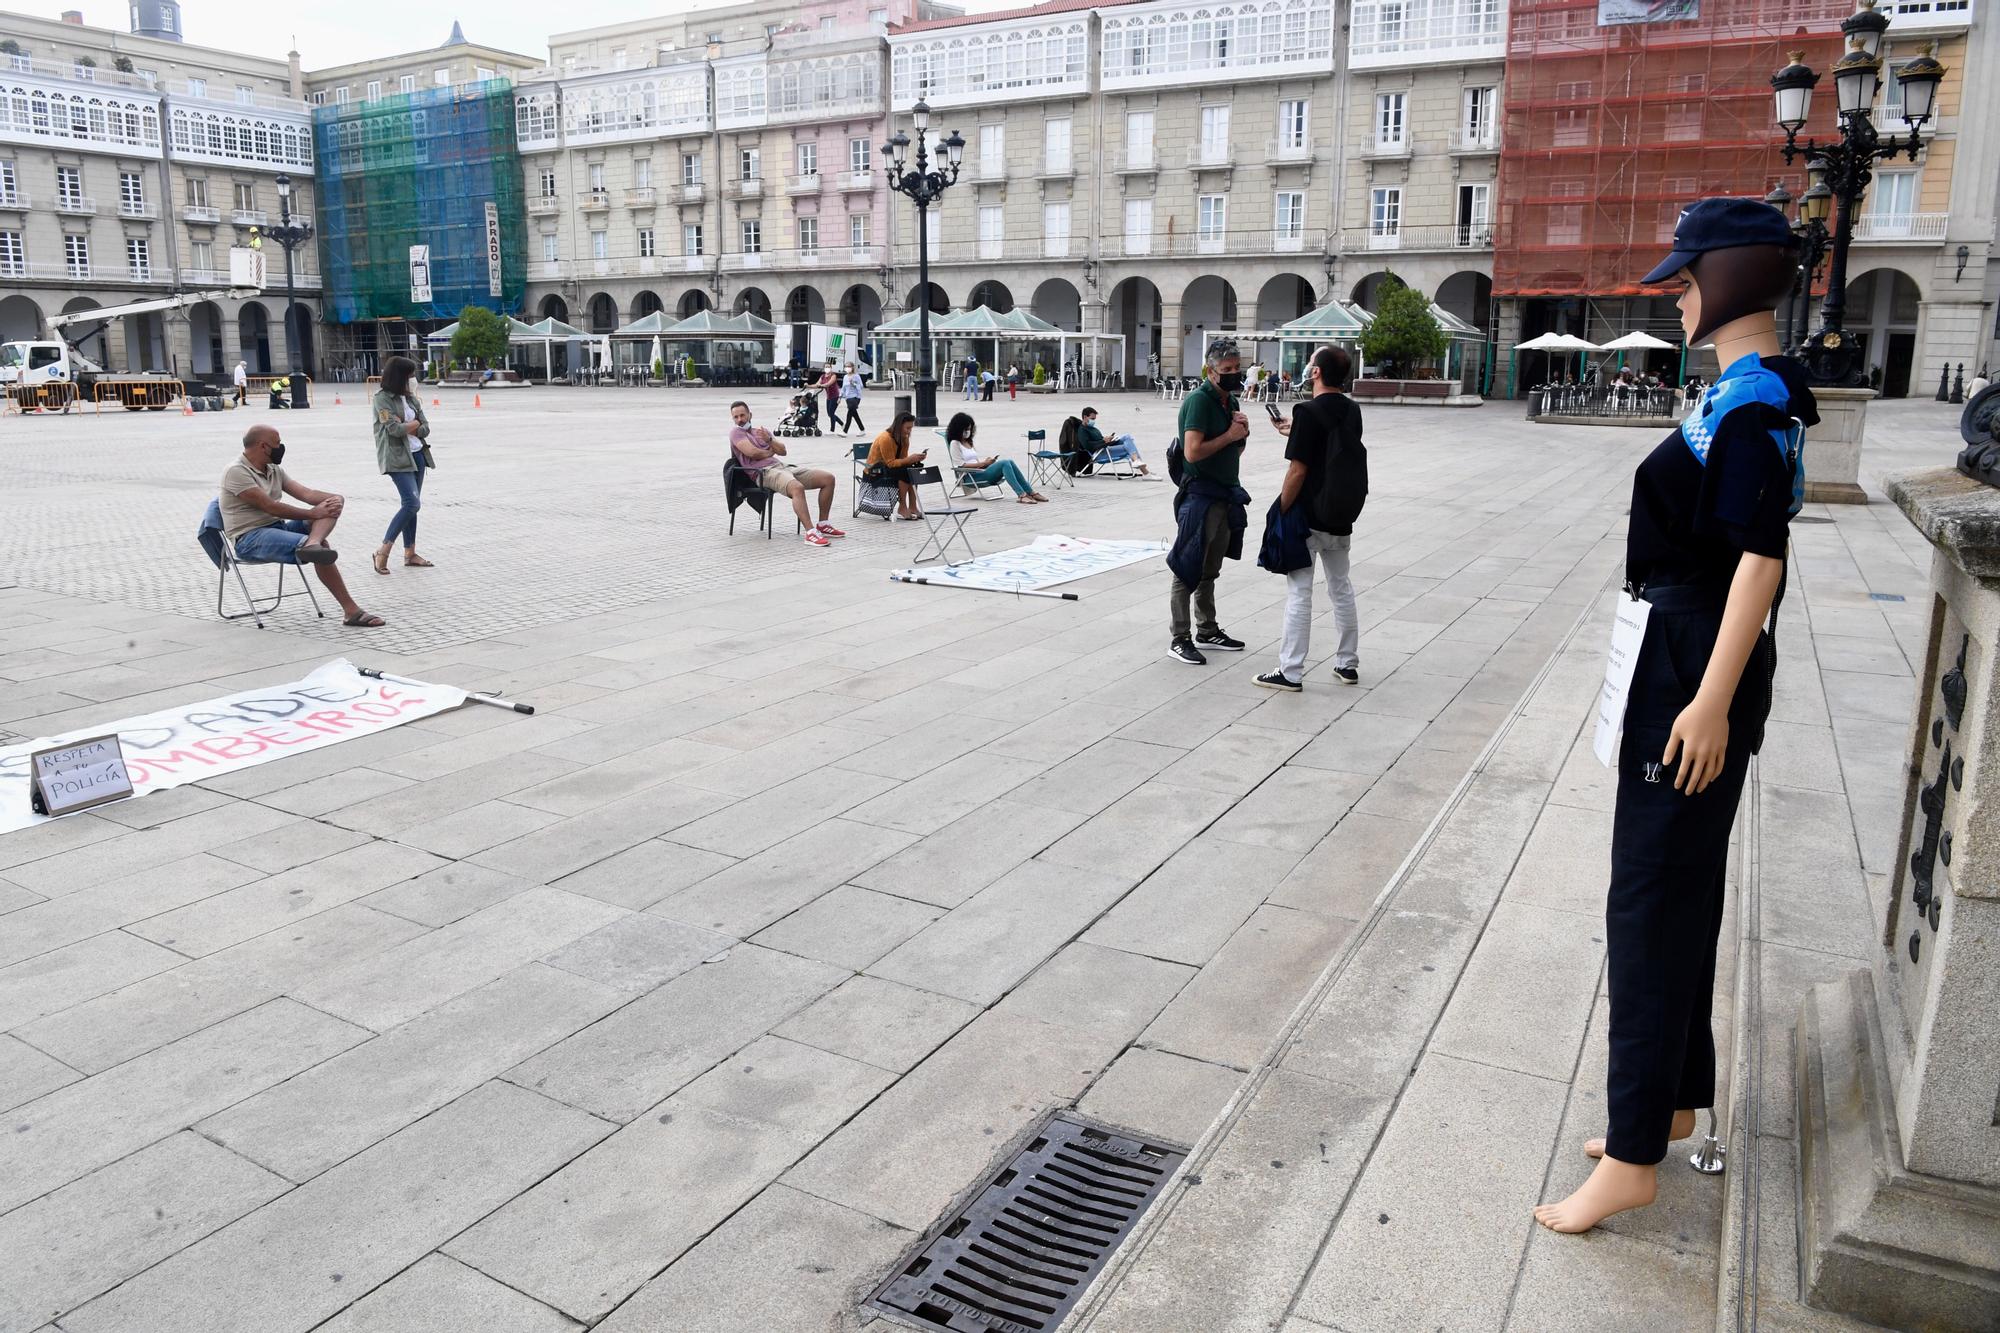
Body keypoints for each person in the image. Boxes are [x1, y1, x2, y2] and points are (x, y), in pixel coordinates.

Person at [1534, 198, 1813, 1236]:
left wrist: (1705, 700)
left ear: (1735, 274)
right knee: (1677, 894)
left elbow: (1759, 555)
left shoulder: (1748, 402)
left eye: (1688, 276)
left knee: (1647, 902)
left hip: (1693, 657)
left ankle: (1636, 1154)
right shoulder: (1751, 389)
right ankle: (1669, 1099)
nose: (1679, 292)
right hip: (1685, 647)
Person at [1257, 345, 1367, 691]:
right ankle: (1347, 663)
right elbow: (1333, 446)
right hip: (1340, 511)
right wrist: (1295, 431)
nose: (1307, 368)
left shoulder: (1307, 410)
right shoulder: (1352, 410)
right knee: (1340, 587)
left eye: (1310, 364)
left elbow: (1298, 470)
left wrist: (1281, 507)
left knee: (1300, 592)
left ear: (1317, 372)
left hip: (1308, 514)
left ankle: (1290, 671)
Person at [220, 424, 383, 628]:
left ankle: (311, 544)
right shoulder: (236, 471)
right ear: (263, 446)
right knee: (322, 547)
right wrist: (312, 513)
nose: (281, 447)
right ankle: (351, 611)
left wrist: (334, 499)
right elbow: (271, 507)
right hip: (250, 538)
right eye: (277, 443)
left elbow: (306, 494)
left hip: (276, 528)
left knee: (329, 509)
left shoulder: (273, 469)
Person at [1167, 338, 1252, 665]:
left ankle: (1207, 629)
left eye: (1236, 368)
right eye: (1227, 370)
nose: (1234, 375)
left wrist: (1241, 435)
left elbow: (1233, 452)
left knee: (1209, 570)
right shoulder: (1200, 401)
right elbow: (1192, 452)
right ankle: (1180, 637)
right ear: (1210, 371)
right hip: (1200, 495)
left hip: (1225, 494)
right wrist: (1230, 436)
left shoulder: (1228, 400)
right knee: (1187, 566)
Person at [730, 400, 845, 546]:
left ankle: (823, 524)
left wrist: (769, 440)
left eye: (742, 415)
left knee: (828, 479)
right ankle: (810, 533)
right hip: (763, 472)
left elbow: (783, 451)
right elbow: (752, 453)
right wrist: (770, 451)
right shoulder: (736, 432)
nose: (740, 420)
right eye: (736, 417)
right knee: (796, 487)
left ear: (749, 415)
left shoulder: (761, 432)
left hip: (781, 466)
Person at [369, 356, 435, 576]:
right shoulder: (382, 399)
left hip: (418, 455)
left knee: (412, 505)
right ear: (400, 377)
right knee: (411, 503)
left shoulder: (411, 399)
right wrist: (413, 424)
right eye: (409, 376)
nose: (413, 380)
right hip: (397, 457)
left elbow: (425, 428)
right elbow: (392, 430)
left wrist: (411, 424)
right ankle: (383, 550)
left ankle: (410, 553)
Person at [947, 412, 1045, 503]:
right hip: (970, 478)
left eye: (969, 429)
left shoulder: (968, 442)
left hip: (980, 472)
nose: (968, 432)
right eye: (966, 429)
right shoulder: (955, 443)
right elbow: (961, 465)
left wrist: (986, 463)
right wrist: (984, 464)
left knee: (1009, 461)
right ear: (958, 428)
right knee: (1005, 463)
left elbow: (974, 462)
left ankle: (1030, 492)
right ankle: (1021, 495)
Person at [865, 411, 928, 520]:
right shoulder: (886, 438)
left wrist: (914, 459)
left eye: (911, 428)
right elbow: (890, 463)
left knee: (914, 469)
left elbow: (903, 459)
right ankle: (902, 507)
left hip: (889, 467)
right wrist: (909, 459)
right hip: (875, 471)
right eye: (907, 428)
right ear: (899, 426)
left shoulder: (904, 438)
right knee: (904, 472)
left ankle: (913, 506)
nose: (909, 431)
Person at [1078, 406, 1149, 475]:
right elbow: (1087, 445)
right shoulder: (1082, 430)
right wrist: (1103, 441)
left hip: (1105, 448)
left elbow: (1099, 439)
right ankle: (1145, 472)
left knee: (1127, 437)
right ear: (1085, 417)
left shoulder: (1093, 429)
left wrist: (1107, 439)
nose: (1093, 421)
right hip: (1099, 453)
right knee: (1128, 447)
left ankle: (1137, 462)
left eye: (1094, 419)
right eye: (1092, 419)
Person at [839, 362, 865, 433]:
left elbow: (861, 386)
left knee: (849, 414)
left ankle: (845, 431)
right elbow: (843, 388)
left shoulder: (856, 376)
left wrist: (853, 383)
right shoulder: (845, 377)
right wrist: (840, 397)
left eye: (849, 366)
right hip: (848, 398)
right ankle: (862, 429)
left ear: (852, 367)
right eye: (846, 366)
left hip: (855, 397)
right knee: (854, 414)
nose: (847, 368)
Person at [818, 363, 841, 428]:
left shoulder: (833, 375)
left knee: (831, 413)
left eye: (828, 367)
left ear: (831, 368)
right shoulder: (822, 376)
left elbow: (828, 384)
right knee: (829, 414)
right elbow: (817, 384)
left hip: (835, 396)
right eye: (826, 367)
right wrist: (808, 386)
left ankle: (832, 429)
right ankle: (842, 424)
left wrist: (821, 385)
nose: (827, 368)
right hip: (828, 397)